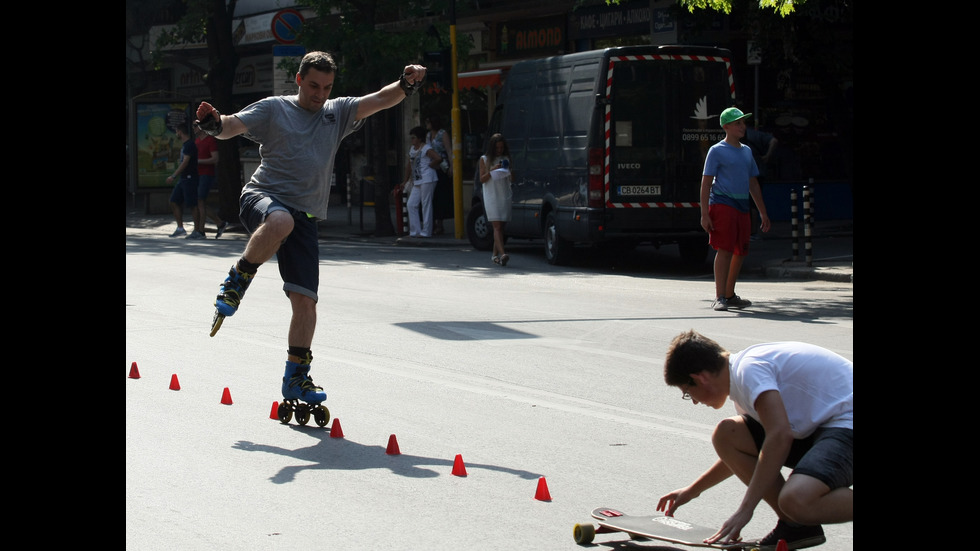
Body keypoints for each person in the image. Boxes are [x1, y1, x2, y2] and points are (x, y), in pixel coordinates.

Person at [195, 51, 426, 406]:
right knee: (280, 220)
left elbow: (381, 99)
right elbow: (231, 126)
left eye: (327, 87)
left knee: (306, 303)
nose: (320, 94)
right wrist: (213, 123)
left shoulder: (337, 112)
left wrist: (406, 84)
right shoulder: (275, 108)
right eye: (314, 85)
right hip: (263, 197)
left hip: (305, 216)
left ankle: (296, 378)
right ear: (299, 80)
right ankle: (237, 279)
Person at [659, 329, 852, 551]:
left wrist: (745, 509)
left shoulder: (749, 370)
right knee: (727, 434)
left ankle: (796, 514)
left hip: (847, 422)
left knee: (796, 499)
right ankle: (796, 526)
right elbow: (755, 454)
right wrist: (694, 489)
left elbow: (779, 436)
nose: (693, 402)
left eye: (687, 393)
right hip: (825, 427)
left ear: (699, 378)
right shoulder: (741, 385)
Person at [700, 107, 771, 311]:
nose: (742, 126)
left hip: (742, 206)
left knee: (741, 251)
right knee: (725, 249)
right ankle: (720, 296)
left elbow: (753, 184)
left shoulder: (746, 151)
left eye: (743, 122)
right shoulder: (716, 150)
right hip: (722, 204)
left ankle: (730, 295)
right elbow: (706, 183)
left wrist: (763, 213)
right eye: (738, 123)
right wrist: (704, 214)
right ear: (726, 127)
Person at [400, 126, 441, 238]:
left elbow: (438, 158)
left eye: (414, 138)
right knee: (411, 204)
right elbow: (409, 165)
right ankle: (415, 231)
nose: (412, 140)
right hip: (417, 180)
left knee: (426, 204)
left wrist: (430, 165)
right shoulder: (412, 149)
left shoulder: (426, 148)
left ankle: (426, 231)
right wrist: (405, 180)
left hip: (427, 178)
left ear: (419, 138)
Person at [478, 133, 512, 266]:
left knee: (501, 227)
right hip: (491, 195)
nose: (499, 150)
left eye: (501, 148)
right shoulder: (484, 159)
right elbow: (482, 179)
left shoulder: (506, 158)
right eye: (497, 148)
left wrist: (509, 170)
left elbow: (512, 178)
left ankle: (494, 256)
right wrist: (492, 170)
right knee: (497, 226)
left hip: (504, 193)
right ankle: (503, 254)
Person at [741, 123, 777, 239]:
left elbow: (753, 185)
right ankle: (752, 232)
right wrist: (767, 155)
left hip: (755, 173)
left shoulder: (746, 147)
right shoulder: (719, 150)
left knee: (750, 204)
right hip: (756, 172)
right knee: (750, 205)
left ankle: (751, 232)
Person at [193, 122, 228, 239]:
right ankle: (219, 223)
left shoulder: (210, 140)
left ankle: (201, 231)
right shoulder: (197, 141)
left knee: (200, 201)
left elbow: (215, 159)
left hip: (206, 174)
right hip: (198, 174)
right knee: (199, 203)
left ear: (201, 127)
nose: (193, 128)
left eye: (195, 126)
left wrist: (199, 161)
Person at [166, 123, 199, 238]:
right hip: (183, 178)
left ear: (180, 131)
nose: (176, 134)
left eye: (177, 131)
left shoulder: (189, 144)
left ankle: (197, 230)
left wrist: (173, 175)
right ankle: (180, 228)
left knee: (192, 204)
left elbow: (185, 162)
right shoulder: (185, 145)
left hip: (190, 177)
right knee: (173, 201)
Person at [425, 115, 453, 235]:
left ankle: (440, 223)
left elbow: (448, 150)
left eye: (428, 122)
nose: (427, 124)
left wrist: (452, 166)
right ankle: (432, 222)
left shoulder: (443, 134)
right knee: (432, 196)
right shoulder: (428, 136)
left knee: (441, 195)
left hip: (442, 168)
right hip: (431, 168)